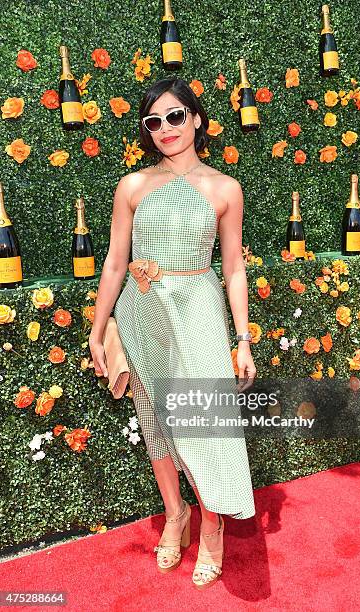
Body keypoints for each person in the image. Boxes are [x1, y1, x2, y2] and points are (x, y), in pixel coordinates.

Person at [89, 76, 257, 589]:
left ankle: (213, 526)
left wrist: (244, 337)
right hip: (142, 312)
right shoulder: (133, 185)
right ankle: (174, 514)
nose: (166, 128)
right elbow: (116, 261)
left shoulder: (225, 188)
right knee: (155, 417)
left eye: (176, 116)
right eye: (154, 121)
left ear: (196, 119)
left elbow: (232, 267)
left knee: (205, 420)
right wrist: (98, 330)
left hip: (198, 308)